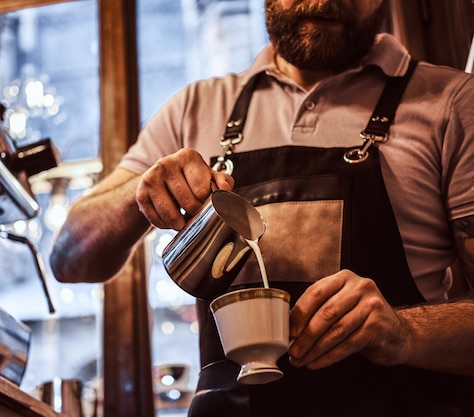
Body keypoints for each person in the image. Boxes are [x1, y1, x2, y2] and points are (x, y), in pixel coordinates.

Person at [50, 0, 474, 415]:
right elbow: (71, 260)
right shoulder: (195, 107)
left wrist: (406, 332)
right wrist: (138, 194)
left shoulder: (452, 104)